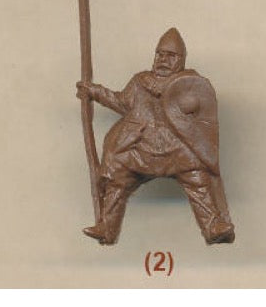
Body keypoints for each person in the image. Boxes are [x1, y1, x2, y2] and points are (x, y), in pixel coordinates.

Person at [76, 28, 235, 245]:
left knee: (197, 178)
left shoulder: (189, 83)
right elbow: (122, 103)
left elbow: (200, 119)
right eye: (160, 54)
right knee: (116, 176)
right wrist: (93, 91)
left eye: (170, 56)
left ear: (181, 59)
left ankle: (213, 227)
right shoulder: (140, 81)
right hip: (141, 147)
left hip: (177, 149)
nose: (163, 60)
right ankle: (107, 228)